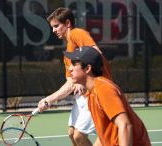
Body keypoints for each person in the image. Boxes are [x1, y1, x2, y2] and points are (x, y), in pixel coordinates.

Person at [38, 7, 111, 146]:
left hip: (96, 94)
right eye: (52, 27)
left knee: (79, 136)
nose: (53, 30)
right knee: (72, 134)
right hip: (82, 98)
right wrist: (49, 100)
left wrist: (84, 76)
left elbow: (96, 54)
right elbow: (70, 83)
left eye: (56, 26)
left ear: (67, 23)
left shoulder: (77, 33)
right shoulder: (67, 54)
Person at [63, 46, 151, 146]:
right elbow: (105, 135)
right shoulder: (92, 94)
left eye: (74, 64)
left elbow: (125, 125)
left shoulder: (103, 89)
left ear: (88, 68)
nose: (70, 69)